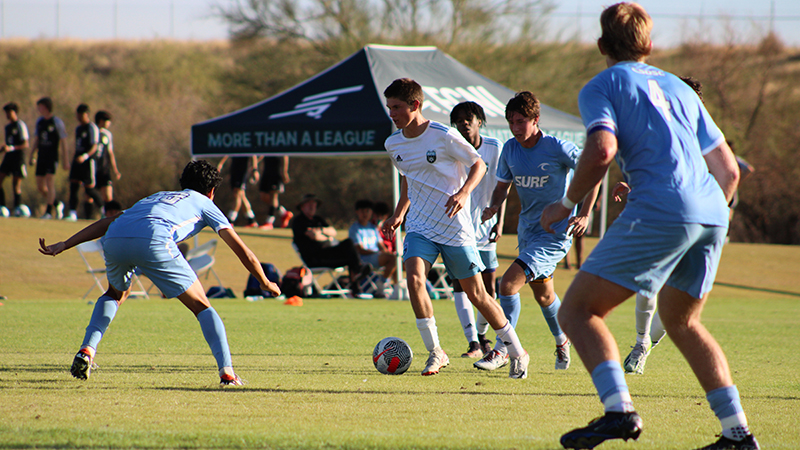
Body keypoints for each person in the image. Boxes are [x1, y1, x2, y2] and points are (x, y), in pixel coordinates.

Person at [540, 3, 758, 449]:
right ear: (650, 45)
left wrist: (566, 202)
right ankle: (738, 434)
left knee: (577, 311)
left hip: (662, 207)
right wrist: (714, 219)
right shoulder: (680, 88)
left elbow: (601, 151)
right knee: (682, 323)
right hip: (714, 212)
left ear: (602, 45)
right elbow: (730, 172)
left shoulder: (602, 85)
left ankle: (619, 411)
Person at [38, 160, 280, 386]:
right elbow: (241, 249)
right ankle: (227, 372)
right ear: (211, 192)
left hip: (114, 238)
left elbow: (108, 222)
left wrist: (65, 244)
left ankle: (87, 349)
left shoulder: (158, 196)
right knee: (202, 306)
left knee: (114, 294)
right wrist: (264, 281)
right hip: (154, 238)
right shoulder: (206, 203)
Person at [381, 78, 529, 378]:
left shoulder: (443, 135)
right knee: (414, 280)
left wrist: (463, 193)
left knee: (479, 295)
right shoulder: (393, 143)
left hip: (454, 227)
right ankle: (436, 352)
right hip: (420, 225)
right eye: (389, 107)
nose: (392, 113)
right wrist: (399, 214)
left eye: (396, 107)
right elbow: (410, 177)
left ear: (415, 105)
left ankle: (517, 351)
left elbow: (479, 165)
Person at [479, 92, 599, 373]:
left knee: (507, 284)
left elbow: (592, 170)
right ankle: (562, 340)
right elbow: (501, 187)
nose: (515, 128)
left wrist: (584, 212)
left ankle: (504, 350)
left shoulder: (556, 148)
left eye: (521, 121)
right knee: (544, 295)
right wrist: (494, 206)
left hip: (555, 234)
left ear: (535, 119)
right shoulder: (510, 149)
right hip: (528, 231)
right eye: (511, 122)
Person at [448, 101, 505, 359]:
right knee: (461, 285)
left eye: (468, 118)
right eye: (458, 120)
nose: (464, 123)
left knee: (489, 288)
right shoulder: (452, 148)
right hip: (459, 228)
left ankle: (484, 337)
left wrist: (500, 220)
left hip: (486, 228)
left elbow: (503, 186)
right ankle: (472, 343)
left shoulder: (494, 148)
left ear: (479, 120)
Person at [292, 193, 372, 297]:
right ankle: (357, 275)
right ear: (302, 206)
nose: (312, 206)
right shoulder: (299, 221)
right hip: (315, 257)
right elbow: (314, 236)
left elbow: (333, 232)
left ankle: (356, 283)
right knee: (349, 250)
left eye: (314, 203)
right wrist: (326, 236)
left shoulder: (318, 220)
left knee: (348, 245)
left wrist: (321, 231)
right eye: (309, 204)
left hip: (327, 253)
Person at [29, 97, 68, 219]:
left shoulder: (56, 122)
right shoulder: (40, 122)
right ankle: (56, 204)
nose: (39, 109)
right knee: (40, 186)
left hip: (52, 157)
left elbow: (63, 141)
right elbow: (36, 140)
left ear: (46, 107)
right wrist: (32, 155)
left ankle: (48, 212)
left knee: (50, 182)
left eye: (40, 106)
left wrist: (65, 160)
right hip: (41, 156)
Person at [348, 199, 396, 297]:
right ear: (357, 212)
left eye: (367, 211)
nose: (365, 214)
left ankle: (397, 288)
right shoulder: (355, 228)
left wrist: (386, 253)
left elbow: (380, 245)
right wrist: (379, 254)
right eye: (362, 211)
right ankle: (382, 284)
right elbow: (359, 249)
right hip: (364, 259)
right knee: (393, 259)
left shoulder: (373, 228)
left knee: (398, 261)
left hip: (377, 256)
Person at [66, 104, 104, 221]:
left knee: (89, 189)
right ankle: (72, 212)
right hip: (77, 160)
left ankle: (104, 210)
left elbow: (94, 146)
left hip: (88, 161)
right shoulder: (78, 128)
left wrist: (85, 156)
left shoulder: (92, 128)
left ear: (87, 114)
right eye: (78, 114)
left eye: (81, 114)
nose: (79, 117)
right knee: (74, 186)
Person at [0, 103, 30, 216]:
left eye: (9, 112)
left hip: (18, 158)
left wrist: (12, 148)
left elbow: (25, 144)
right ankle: (2, 206)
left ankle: (17, 208)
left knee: (16, 184)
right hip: (8, 158)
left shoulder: (20, 125)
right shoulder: (8, 127)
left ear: (15, 112)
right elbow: (8, 144)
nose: (7, 115)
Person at [217, 156, 259, 228]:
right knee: (241, 195)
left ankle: (231, 220)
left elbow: (253, 155)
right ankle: (251, 220)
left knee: (238, 194)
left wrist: (254, 169)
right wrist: (221, 163)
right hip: (234, 169)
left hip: (242, 170)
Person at [93, 110, 122, 209]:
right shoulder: (92, 131)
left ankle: (108, 216)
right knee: (89, 195)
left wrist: (115, 170)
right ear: (101, 121)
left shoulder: (107, 134)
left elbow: (110, 153)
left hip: (104, 169)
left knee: (108, 195)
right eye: (108, 121)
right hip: (93, 167)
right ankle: (89, 218)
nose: (109, 124)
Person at [258, 156, 292, 230]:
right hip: (266, 171)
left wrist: (284, 171)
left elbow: (284, 156)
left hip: (276, 172)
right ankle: (283, 212)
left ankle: (269, 222)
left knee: (273, 196)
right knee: (263, 196)